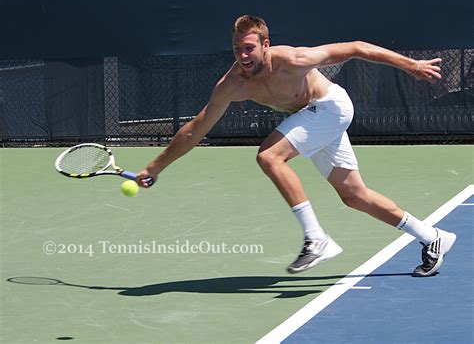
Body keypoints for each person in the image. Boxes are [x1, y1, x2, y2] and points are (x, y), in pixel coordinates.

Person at [137, 15, 456, 277]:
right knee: (354, 196)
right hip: (312, 120)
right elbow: (195, 129)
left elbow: (356, 47)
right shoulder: (232, 85)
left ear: (265, 45)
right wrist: (155, 168)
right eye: (237, 49)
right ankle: (433, 237)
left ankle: (316, 239)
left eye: (249, 48)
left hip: (329, 106)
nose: (243, 56)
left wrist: (411, 65)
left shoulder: (294, 60)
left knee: (269, 157)